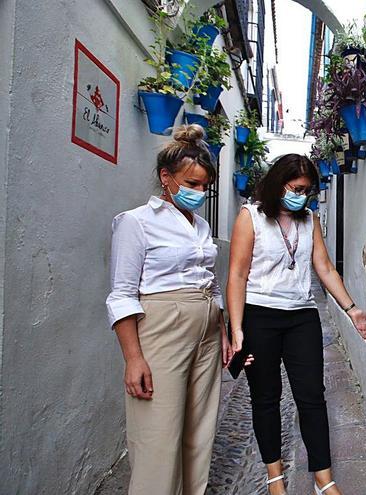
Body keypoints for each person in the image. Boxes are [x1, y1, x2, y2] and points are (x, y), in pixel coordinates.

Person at [105, 125, 243, 494]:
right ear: (166, 177)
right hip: (162, 326)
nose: (199, 192)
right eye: (191, 183)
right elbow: (121, 294)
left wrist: (224, 330)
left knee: (199, 430)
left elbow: (210, 282)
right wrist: (134, 358)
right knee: (158, 434)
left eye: (204, 186)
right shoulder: (136, 222)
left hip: (207, 330)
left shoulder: (200, 226)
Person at [226, 154, 366, 495]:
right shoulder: (250, 217)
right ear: (279, 182)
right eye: (296, 188)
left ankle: (324, 479)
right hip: (259, 315)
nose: (301, 196)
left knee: (312, 397)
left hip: (302, 317)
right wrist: (237, 330)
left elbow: (323, 267)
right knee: (266, 397)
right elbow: (236, 274)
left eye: (307, 191)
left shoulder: (309, 219)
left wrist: (352, 309)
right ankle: (275, 478)